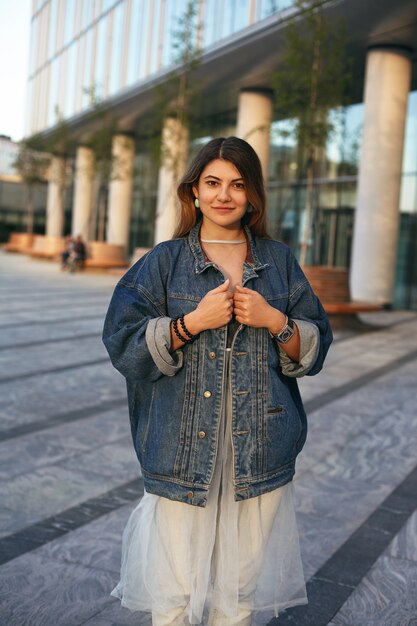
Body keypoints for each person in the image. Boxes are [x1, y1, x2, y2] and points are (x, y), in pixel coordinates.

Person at [103, 137, 333, 626]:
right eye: (213, 183)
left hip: (262, 451)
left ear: (253, 195)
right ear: (193, 191)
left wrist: (276, 321)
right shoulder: (163, 262)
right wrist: (191, 323)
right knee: (175, 595)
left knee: (239, 596)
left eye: (237, 184)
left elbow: (316, 348)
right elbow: (123, 343)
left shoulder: (279, 261)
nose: (224, 195)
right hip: (180, 450)